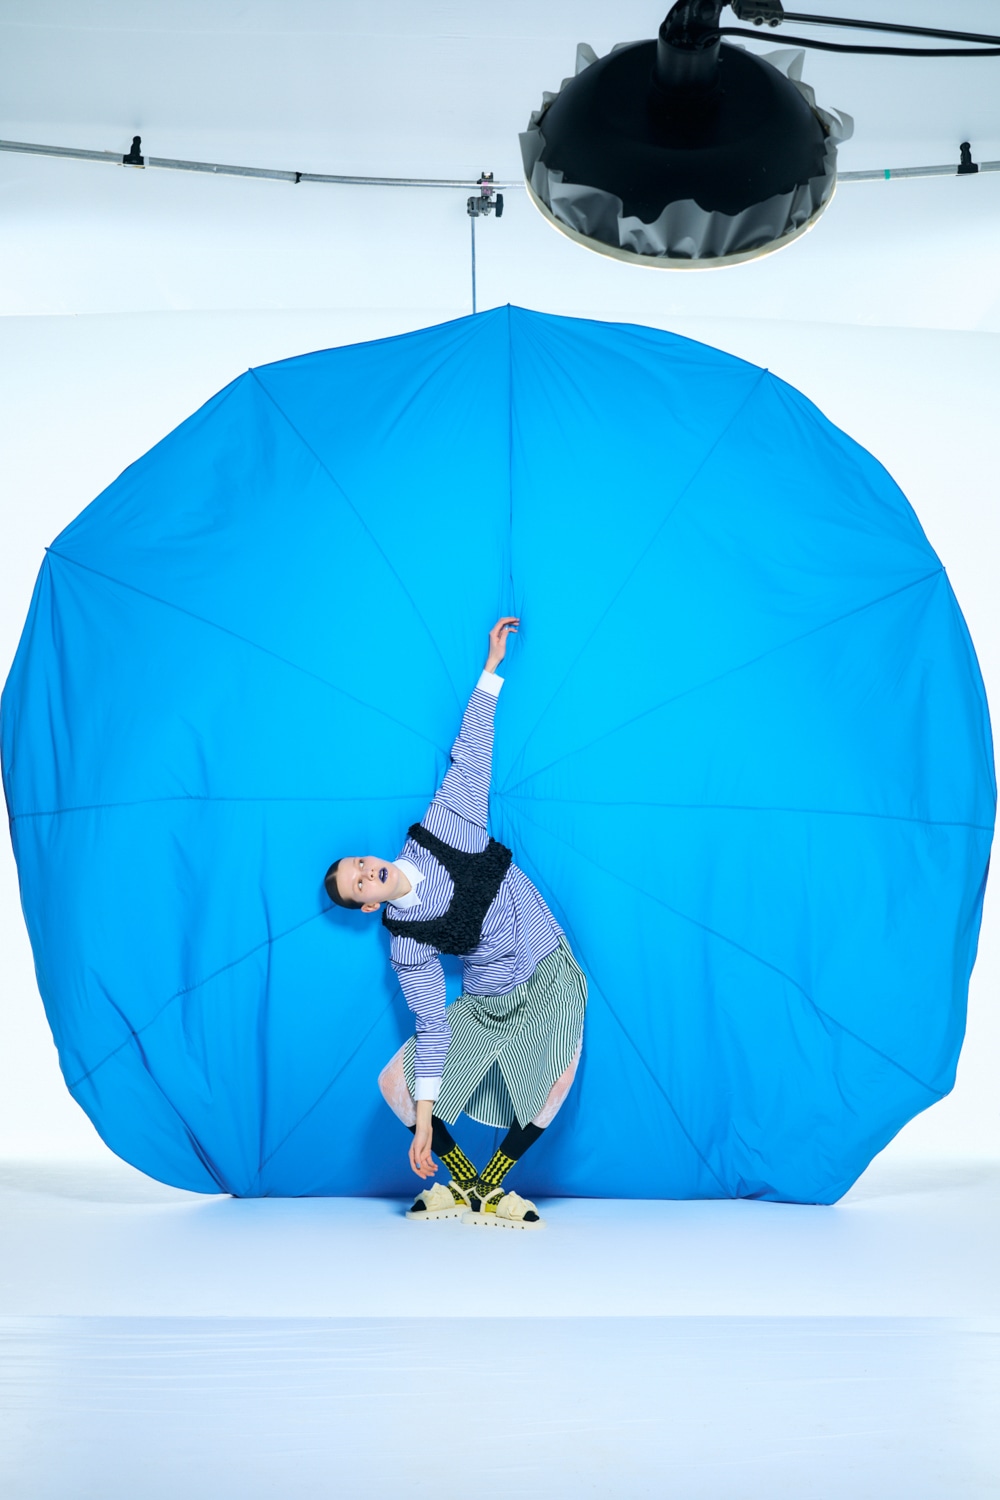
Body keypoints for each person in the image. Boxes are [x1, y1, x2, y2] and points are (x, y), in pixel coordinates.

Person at [324, 617, 587, 1230]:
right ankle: (471, 1186)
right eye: (358, 884)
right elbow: (432, 1024)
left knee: (556, 1077)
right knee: (396, 1084)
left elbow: (470, 753)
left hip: (545, 970)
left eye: (360, 864)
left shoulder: (444, 826)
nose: (365, 872)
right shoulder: (405, 943)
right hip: (487, 1001)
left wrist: (491, 670)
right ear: (368, 906)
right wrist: (423, 1123)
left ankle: (489, 1185)